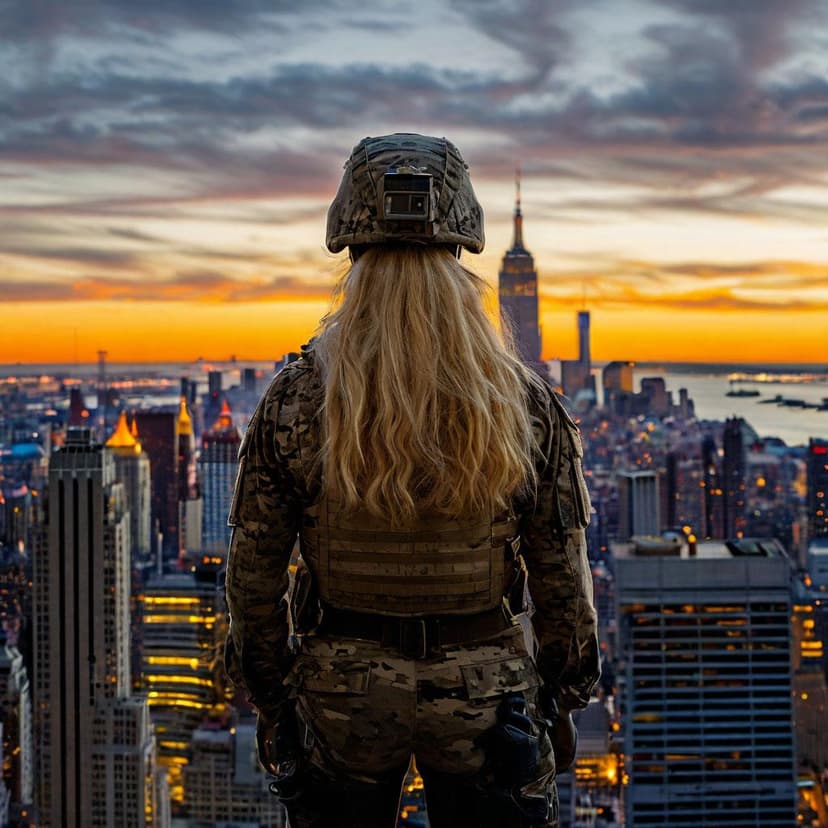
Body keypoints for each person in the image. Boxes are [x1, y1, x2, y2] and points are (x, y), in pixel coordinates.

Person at [224, 133, 600, 828]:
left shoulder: (296, 401)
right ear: (459, 256)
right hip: (488, 698)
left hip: (343, 692)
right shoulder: (522, 404)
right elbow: (563, 583)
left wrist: (276, 704)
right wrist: (561, 700)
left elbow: (253, 586)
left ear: (354, 253)